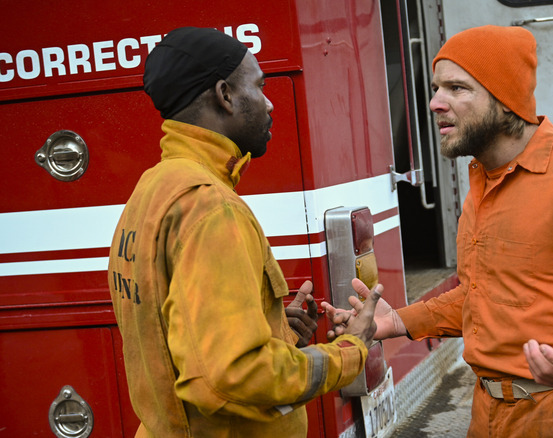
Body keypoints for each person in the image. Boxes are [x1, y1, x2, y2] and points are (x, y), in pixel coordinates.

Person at [324, 25, 553, 437]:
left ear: (506, 99)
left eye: (457, 89)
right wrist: (398, 322)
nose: (434, 103)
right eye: (436, 88)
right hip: (488, 411)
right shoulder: (482, 180)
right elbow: (487, 293)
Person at [107, 27, 379, 437]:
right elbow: (233, 377)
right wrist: (349, 351)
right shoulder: (212, 208)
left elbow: (185, 342)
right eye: (259, 86)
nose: (270, 103)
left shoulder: (153, 188)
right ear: (225, 95)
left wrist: (275, 331)